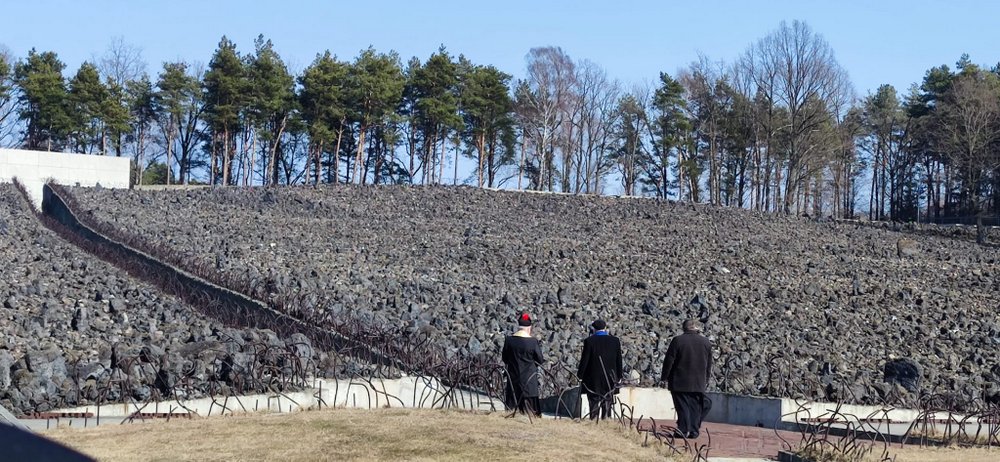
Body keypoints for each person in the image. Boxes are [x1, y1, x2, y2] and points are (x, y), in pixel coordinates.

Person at [660, 319, 713, 439]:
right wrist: (706, 379)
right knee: (695, 407)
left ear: (684, 328)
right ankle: (694, 431)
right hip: (698, 381)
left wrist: (664, 377)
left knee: (682, 406)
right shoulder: (706, 342)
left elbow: (669, 361)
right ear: (696, 328)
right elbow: (708, 364)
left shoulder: (678, 340)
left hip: (680, 380)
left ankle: (683, 430)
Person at [577, 319, 623, 420]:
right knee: (607, 399)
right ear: (605, 328)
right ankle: (606, 418)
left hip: (593, 378)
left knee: (593, 399)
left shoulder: (589, 341)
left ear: (594, 329)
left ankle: (594, 420)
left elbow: (585, 361)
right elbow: (619, 360)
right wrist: (619, 376)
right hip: (610, 377)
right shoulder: (615, 341)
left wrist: (580, 375)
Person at [502, 311, 545, 416]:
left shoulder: (509, 340)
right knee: (530, 412)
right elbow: (540, 359)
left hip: (513, 380)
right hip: (529, 383)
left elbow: (505, 358)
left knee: (512, 411)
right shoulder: (532, 342)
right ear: (529, 328)